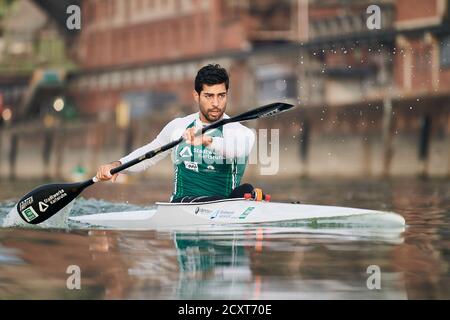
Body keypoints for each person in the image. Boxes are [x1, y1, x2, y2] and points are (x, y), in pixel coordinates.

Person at [96, 64, 258, 203]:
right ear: (196, 96)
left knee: (247, 190)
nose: (216, 103)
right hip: (183, 204)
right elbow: (150, 154)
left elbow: (237, 151)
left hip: (224, 208)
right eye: (209, 96)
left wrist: (206, 140)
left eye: (221, 96)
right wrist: (118, 165)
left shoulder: (240, 132)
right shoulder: (178, 126)